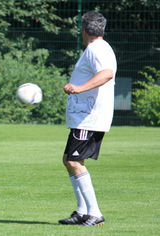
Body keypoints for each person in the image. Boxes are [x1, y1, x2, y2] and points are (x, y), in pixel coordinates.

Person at [58, 12, 117, 226]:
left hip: (88, 118)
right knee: (69, 160)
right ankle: (82, 211)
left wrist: (79, 88)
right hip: (85, 118)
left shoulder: (95, 49)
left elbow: (107, 73)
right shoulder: (102, 47)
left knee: (74, 161)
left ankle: (94, 213)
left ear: (83, 31)